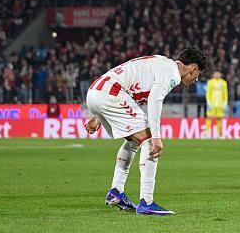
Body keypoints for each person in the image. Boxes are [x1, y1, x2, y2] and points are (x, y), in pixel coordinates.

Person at [83, 47, 209, 215]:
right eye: (198, 74)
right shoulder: (172, 73)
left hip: (97, 90)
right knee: (148, 141)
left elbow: (132, 85)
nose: (196, 79)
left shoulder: (162, 64)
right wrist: (156, 137)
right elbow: (155, 100)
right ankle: (146, 202)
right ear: (193, 68)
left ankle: (116, 192)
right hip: (111, 93)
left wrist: (97, 113)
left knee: (134, 140)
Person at [205, 71, 228, 137]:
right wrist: (208, 102)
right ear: (213, 74)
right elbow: (208, 92)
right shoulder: (210, 82)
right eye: (216, 73)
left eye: (218, 73)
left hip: (220, 104)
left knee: (219, 118)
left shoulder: (224, 83)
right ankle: (207, 134)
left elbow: (225, 93)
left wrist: (225, 102)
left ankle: (218, 134)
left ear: (220, 74)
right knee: (209, 117)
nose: (217, 75)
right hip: (212, 104)